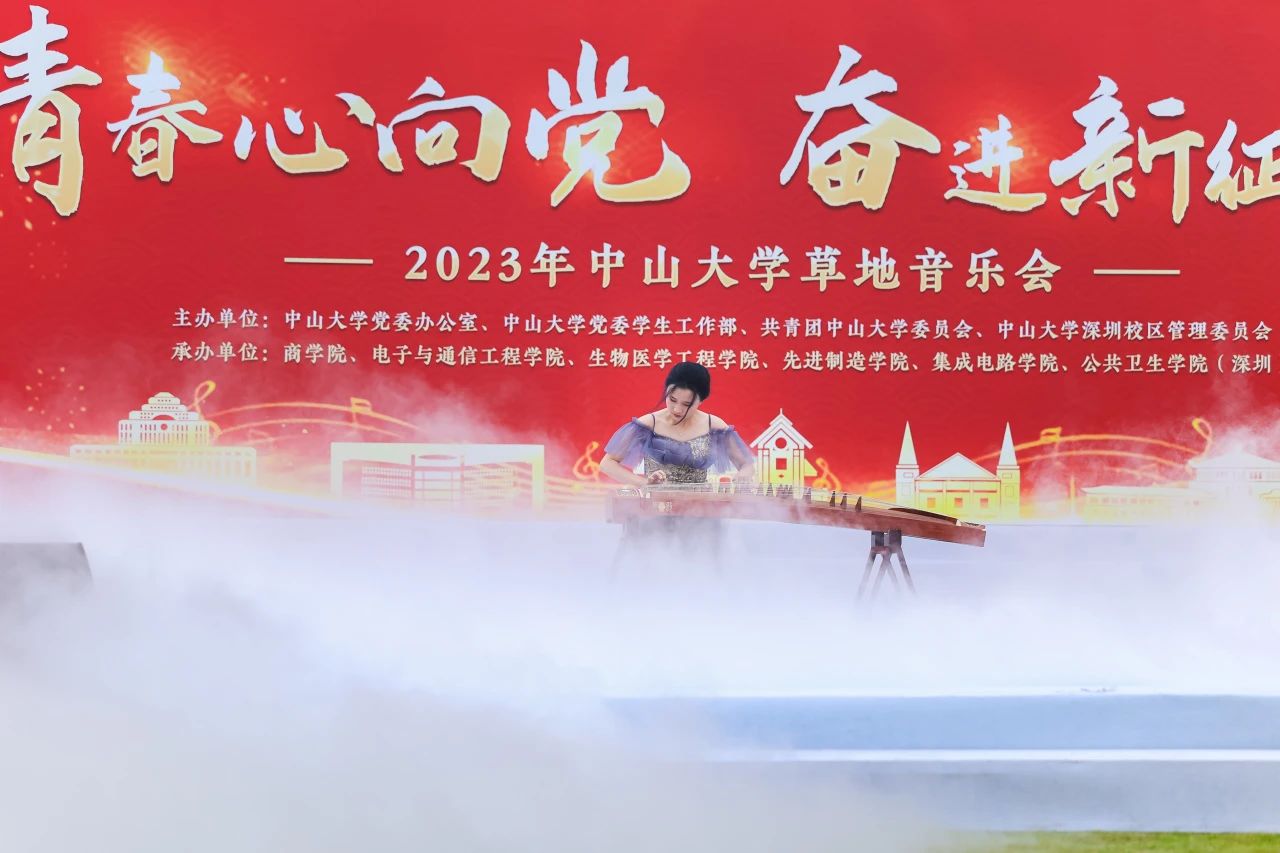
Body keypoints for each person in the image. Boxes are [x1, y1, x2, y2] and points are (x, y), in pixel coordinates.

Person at [600, 361, 755, 487]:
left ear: (701, 401)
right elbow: (607, 464)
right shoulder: (648, 424)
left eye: (687, 404)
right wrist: (644, 483)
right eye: (672, 399)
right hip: (655, 506)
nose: (677, 409)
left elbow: (746, 465)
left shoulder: (714, 426)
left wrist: (743, 475)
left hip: (700, 506)